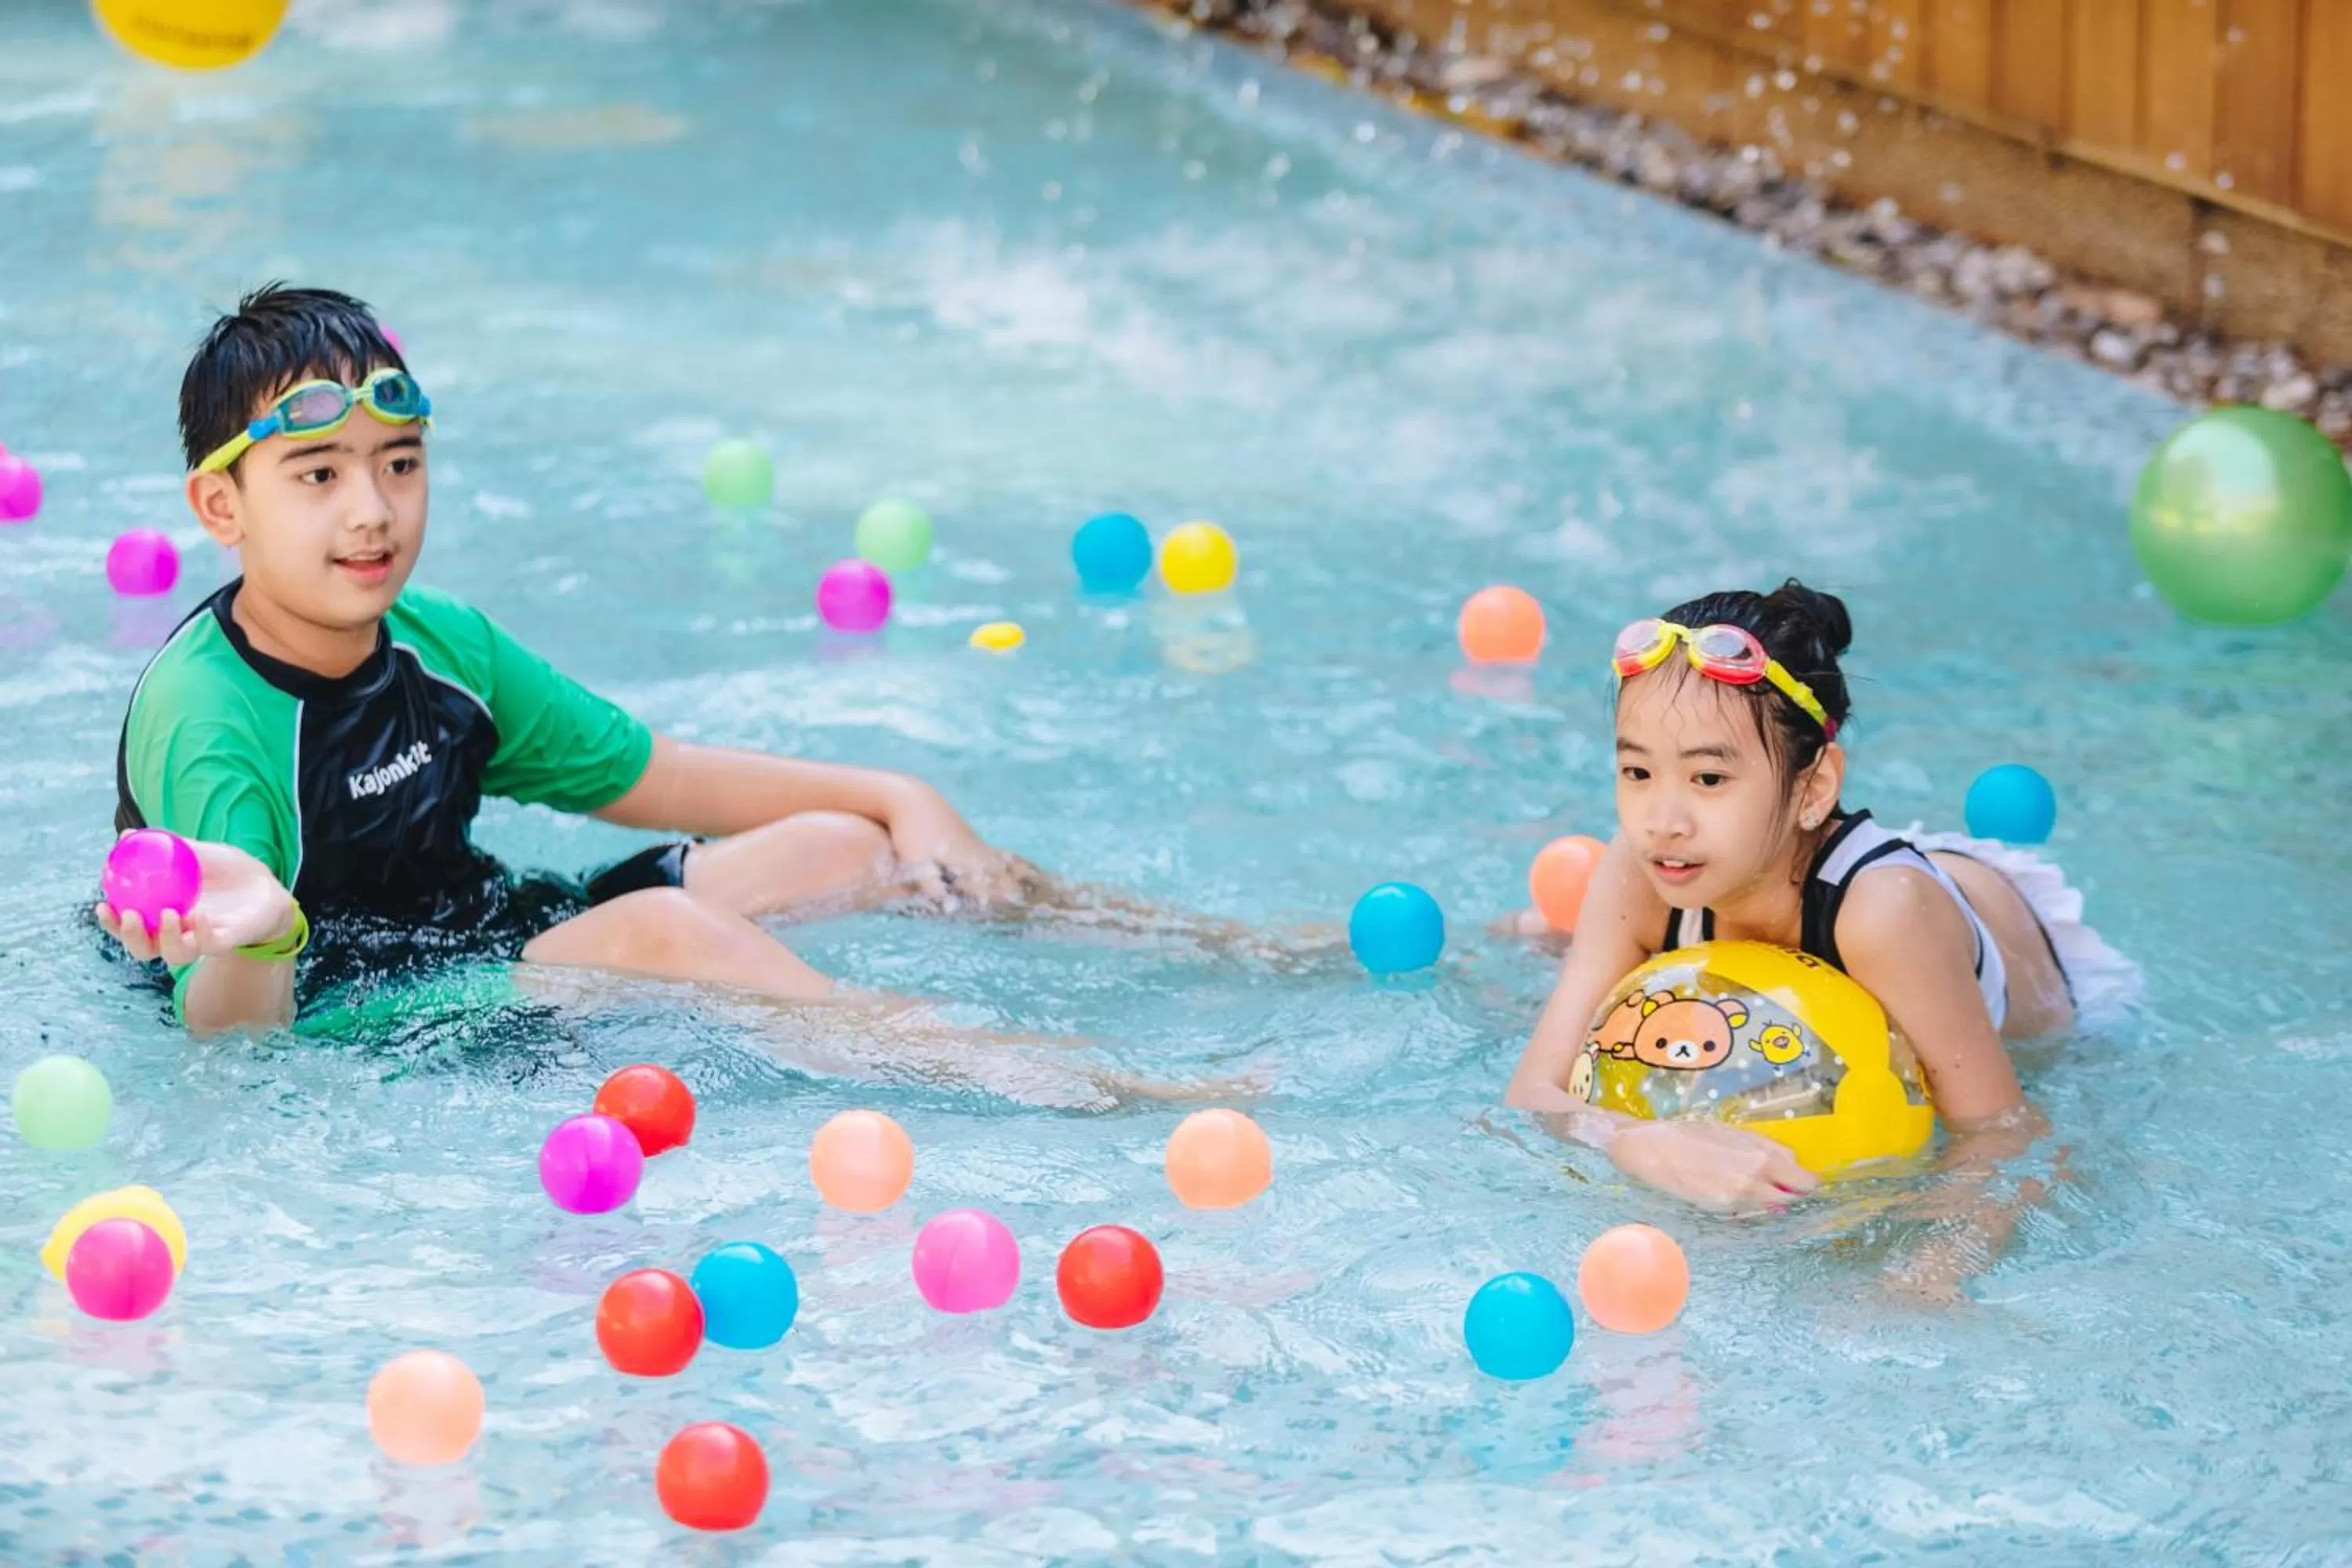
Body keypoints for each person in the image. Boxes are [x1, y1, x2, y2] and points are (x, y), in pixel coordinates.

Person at [98, 284, 1130, 1040]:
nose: (373, 511)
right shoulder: (208, 715)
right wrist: (265, 933)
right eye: (319, 475)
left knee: (848, 844)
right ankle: (1026, 1067)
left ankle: (1177, 943)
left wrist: (904, 794)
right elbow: (230, 1040)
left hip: (488, 930)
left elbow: (659, 775)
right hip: (361, 1007)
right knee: (663, 931)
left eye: (399, 464)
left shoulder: (438, 640)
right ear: (222, 506)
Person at [1504, 581, 2137, 1219]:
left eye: (1709, 778)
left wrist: (1909, 1271)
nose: (1663, 822)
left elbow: (2006, 1140)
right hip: (1774, 862)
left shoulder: (1884, 917)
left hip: (1976, 943)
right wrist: (1632, 1140)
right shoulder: (1643, 867)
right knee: (1536, 960)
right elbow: (1532, 1096)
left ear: (1815, 786)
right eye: (1638, 772)